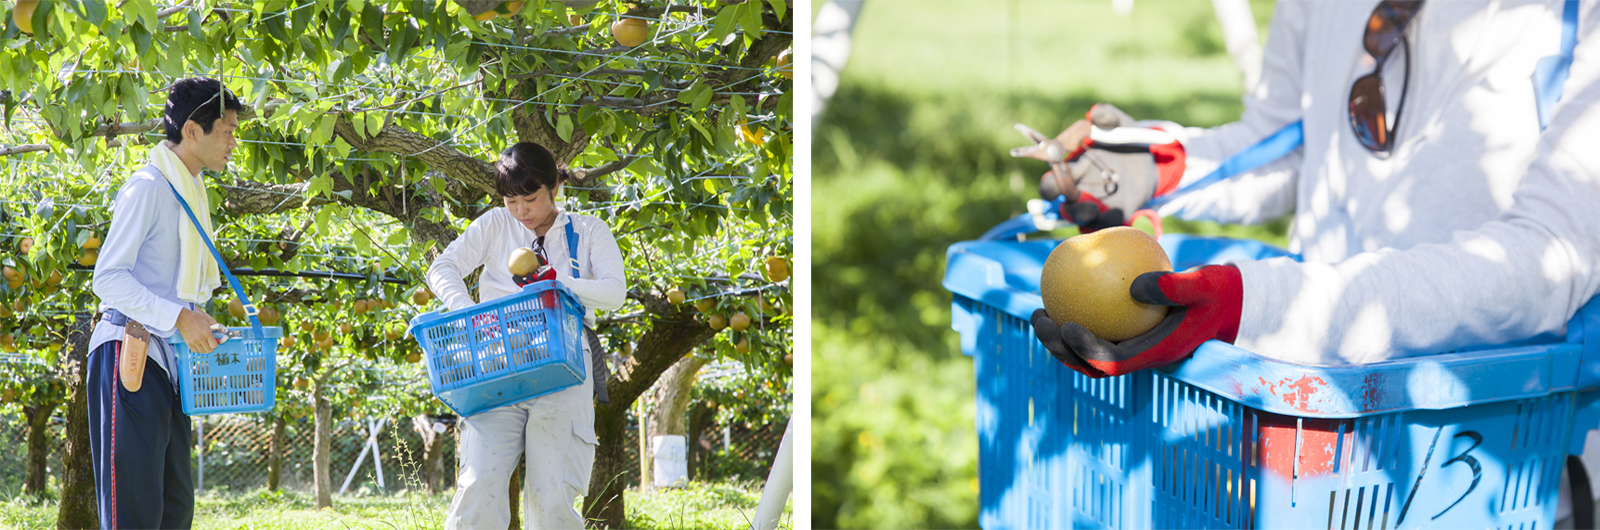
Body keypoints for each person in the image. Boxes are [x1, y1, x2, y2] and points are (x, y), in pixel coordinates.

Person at [1024, 0, 1600, 520]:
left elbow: (1551, 257)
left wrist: (1260, 306)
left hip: (1503, 437)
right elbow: (1292, 137)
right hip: (1321, 415)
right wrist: (1154, 167)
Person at [426, 141, 626, 529]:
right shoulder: (495, 225)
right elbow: (442, 268)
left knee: (551, 498)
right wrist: (465, 309)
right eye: (510, 201)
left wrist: (561, 283)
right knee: (478, 485)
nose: (521, 212)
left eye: (530, 199)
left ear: (555, 187)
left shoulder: (587, 231)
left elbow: (614, 292)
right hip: (499, 366)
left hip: (563, 368)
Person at [86, 76, 240, 529]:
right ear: (193, 131)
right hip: (128, 354)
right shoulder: (149, 186)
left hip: (166, 364)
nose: (234, 142)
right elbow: (108, 277)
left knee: (173, 510)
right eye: (228, 131)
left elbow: (169, 288)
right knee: (133, 512)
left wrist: (191, 315)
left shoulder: (190, 190)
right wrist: (178, 316)